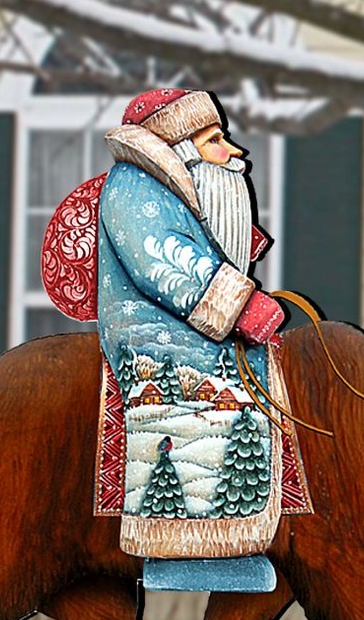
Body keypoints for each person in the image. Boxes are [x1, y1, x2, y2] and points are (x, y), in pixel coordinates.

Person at [97, 88, 288, 583]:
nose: (235, 153)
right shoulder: (133, 188)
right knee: (206, 404)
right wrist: (240, 304)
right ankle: (189, 550)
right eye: (215, 140)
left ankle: (249, 531)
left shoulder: (176, 190)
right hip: (157, 324)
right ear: (181, 147)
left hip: (188, 318)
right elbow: (161, 258)